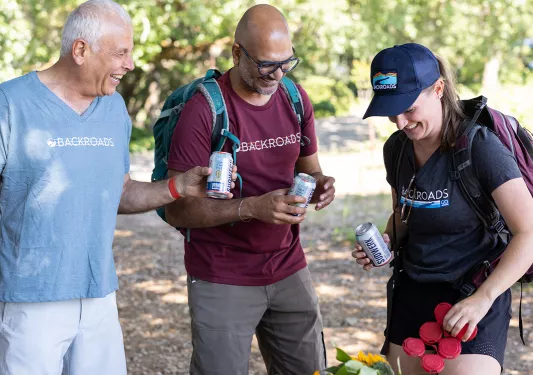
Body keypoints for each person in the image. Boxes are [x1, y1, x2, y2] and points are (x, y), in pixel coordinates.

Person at [0, 1, 231, 374]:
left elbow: (118, 192)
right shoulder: (9, 104)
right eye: (122, 53)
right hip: (29, 298)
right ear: (80, 50)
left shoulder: (113, 109)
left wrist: (178, 186)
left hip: (99, 293)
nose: (131, 64)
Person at [164, 4, 336, 375]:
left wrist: (322, 185)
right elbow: (177, 209)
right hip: (221, 273)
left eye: (287, 63)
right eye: (266, 65)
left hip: (288, 265)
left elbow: (311, 169)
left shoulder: (295, 97)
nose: (277, 75)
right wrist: (251, 208)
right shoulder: (204, 110)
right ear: (237, 52)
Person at [352, 42, 533, 375]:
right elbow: (404, 215)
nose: (399, 122)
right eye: (390, 110)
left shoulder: (479, 148)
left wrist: (484, 298)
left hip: (473, 294)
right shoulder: (396, 149)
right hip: (412, 292)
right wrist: (387, 240)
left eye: (408, 108)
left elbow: (529, 233)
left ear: (438, 89)